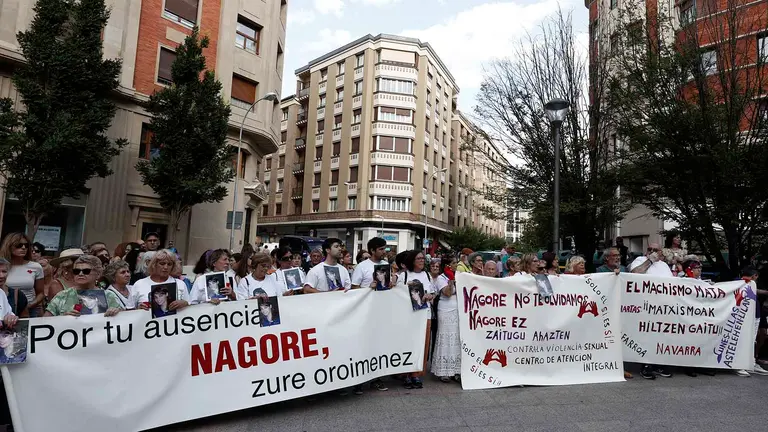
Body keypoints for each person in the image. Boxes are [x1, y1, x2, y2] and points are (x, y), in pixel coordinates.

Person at [629, 242, 673, 380]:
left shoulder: (664, 266)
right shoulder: (640, 260)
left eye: (655, 250)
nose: (652, 252)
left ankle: (659, 363)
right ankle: (646, 364)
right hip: (645, 305)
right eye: (650, 249)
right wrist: (650, 260)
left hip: (662, 306)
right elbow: (634, 274)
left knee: (662, 335)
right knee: (647, 335)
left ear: (661, 253)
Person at [396, 250, 435, 389]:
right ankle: (405, 373)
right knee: (408, 343)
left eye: (423, 258)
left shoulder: (427, 275)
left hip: (425, 314)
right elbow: (397, 294)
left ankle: (416, 374)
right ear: (412, 260)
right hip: (409, 315)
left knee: (422, 344)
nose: (422, 260)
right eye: (418, 258)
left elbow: (432, 292)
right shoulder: (404, 275)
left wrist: (430, 296)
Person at [45, 255, 122, 317]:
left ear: (98, 274)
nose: (80, 274)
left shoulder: (108, 296)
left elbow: (124, 321)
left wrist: (116, 312)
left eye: (86, 271)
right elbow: (44, 322)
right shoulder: (62, 296)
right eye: (76, 271)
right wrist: (63, 319)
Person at [0, 233, 45, 317]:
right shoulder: (2, 267)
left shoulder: (36, 267)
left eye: (26, 245)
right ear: (9, 246)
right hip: (4, 309)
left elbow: (41, 293)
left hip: (29, 310)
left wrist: (28, 306)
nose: (23, 248)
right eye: (19, 245)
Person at [432, 256, 460, 383]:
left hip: (457, 309)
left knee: (456, 338)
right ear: (447, 265)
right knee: (446, 337)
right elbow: (448, 293)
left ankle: (456, 369)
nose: (456, 265)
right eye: (454, 263)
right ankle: (444, 370)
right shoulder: (440, 278)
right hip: (445, 309)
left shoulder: (458, 275)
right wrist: (451, 281)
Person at [742, 267, 768, 376]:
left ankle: (751, 361)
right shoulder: (740, 283)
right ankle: (745, 363)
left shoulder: (750, 284)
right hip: (746, 315)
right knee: (746, 339)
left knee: (754, 338)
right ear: (754, 276)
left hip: (756, 313)